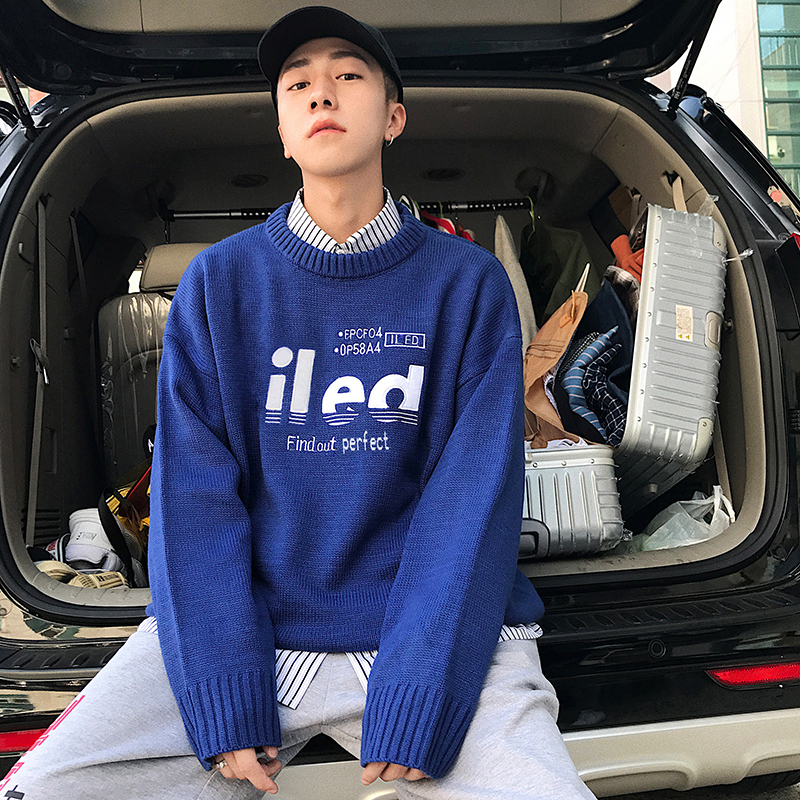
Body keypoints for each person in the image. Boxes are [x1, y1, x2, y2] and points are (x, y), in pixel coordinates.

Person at [1, 7, 595, 799]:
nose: (322, 93)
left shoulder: (468, 284)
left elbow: (473, 500)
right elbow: (194, 499)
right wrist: (225, 694)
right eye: (298, 84)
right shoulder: (219, 284)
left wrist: (422, 690)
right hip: (255, 634)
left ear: (394, 118)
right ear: (282, 131)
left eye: (348, 74)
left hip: (434, 641)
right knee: (40, 788)